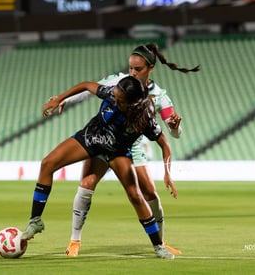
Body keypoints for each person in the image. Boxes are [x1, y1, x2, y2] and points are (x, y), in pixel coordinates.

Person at [58, 43, 200, 257]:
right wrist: (65, 99)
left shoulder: (159, 96)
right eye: (131, 68)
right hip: (103, 139)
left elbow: (172, 135)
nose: (133, 73)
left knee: (148, 193)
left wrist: (175, 127)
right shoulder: (119, 82)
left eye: (138, 69)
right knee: (86, 184)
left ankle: (160, 242)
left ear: (150, 68)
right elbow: (90, 89)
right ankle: (74, 241)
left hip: (133, 147)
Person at [22, 76, 175, 259]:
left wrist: (167, 173)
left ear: (133, 104)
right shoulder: (111, 93)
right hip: (92, 137)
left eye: (120, 100)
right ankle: (36, 220)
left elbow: (165, 145)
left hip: (117, 152)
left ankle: (158, 246)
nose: (114, 100)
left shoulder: (145, 118)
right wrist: (59, 98)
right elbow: (86, 85)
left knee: (135, 196)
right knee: (47, 163)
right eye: (115, 96)